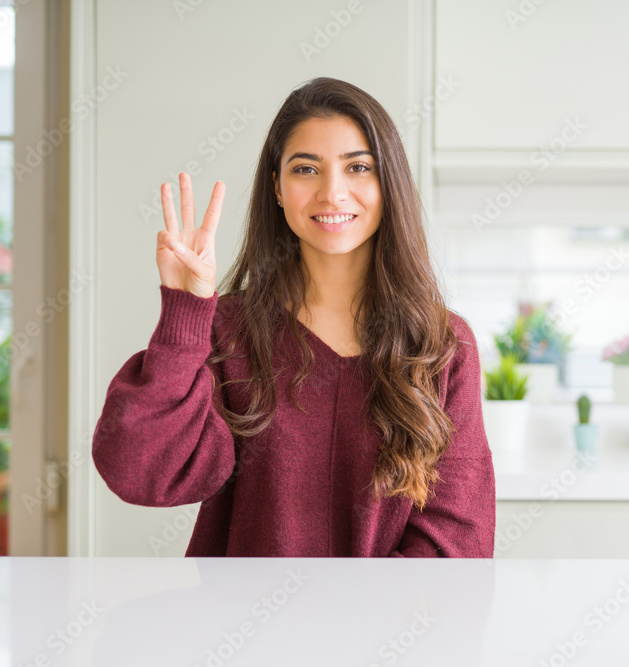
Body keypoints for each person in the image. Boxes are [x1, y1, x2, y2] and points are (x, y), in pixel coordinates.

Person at [91, 77, 496, 557]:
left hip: (388, 628)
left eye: (358, 167)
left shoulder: (443, 343)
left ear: (389, 185)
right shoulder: (226, 329)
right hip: (240, 629)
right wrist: (184, 313)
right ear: (278, 189)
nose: (332, 193)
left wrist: (370, 626)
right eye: (306, 169)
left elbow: (458, 539)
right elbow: (141, 473)